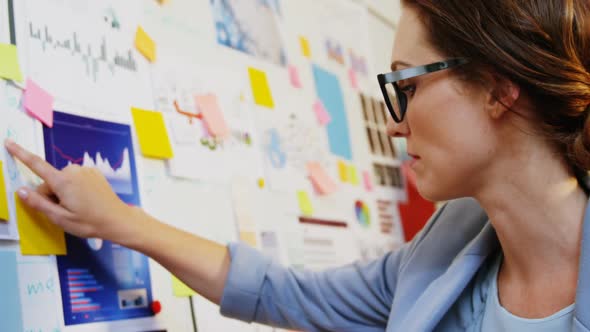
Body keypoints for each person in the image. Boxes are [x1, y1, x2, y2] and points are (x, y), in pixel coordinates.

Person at [5, 0, 590, 330]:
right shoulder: (448, 245)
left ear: (495, 87)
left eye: (405, 85)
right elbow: (287, 293)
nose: (393, 122)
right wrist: (119, 221)